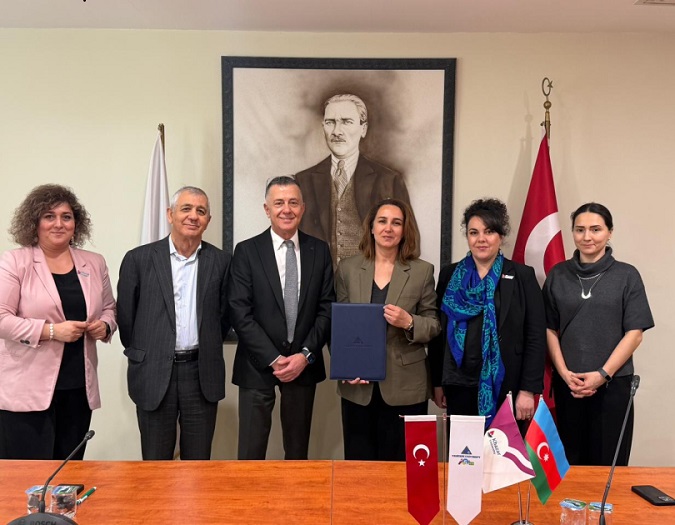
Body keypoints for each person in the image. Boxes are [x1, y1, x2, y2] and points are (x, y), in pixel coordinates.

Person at [0, 184, 116, 460]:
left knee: (68, 473)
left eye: (66, 216)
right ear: (35, 222)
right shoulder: (15, 261)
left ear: (76, 223)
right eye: (49, 216)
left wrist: (105, 326)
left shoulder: (94, 263)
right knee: (28, 476)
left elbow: (109, 308)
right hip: (27, 390)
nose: (59, 224)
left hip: (78, 388)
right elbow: (2, 319)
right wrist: (51, 331)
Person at [117, 186, 231, 460]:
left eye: (201, 211)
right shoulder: (138, 259)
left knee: (198, 463)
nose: (193, 216)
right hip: (154, 373)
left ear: (208, 220)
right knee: (155, 463)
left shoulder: (222, 261)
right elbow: (126, 318)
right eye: (186, 209)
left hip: (201, 373)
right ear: (170, 214)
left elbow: (224, 316)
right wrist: (150, 352)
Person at [229, 176, 334, 460]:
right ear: (267, 209)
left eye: (293, 202)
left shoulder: (319, 250)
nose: (286, 209)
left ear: (303, 208)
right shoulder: (246, 251)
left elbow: (327, 308)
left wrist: (305, 356)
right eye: (279, 203)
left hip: (303, 366)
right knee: (250, 455)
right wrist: (274, 358)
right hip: (256, 365)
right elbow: (239, 311)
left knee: (297, 454)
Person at [543, 202, 653, 466]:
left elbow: (635, 334)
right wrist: (564, 373)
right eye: (580, 230)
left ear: (609, 232)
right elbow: (548, 328)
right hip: (569, 386)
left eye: (595, 229)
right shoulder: (558, 274)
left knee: (608, 464)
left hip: (613, 386)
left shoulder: (627, 275)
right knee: (569, 465)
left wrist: (602, 374)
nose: (587, 236)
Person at [335, 199, 440, 461]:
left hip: (406, 386)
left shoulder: (422, 271)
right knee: (359, 467)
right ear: (371, 228)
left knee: (401, 468)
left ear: (405, 230)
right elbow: (340, 326)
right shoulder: (347, 269)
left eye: (396, 223)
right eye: (382, 221)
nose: (388, 228)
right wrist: (346, 367)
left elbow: (434, 324)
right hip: (358, 387)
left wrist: (409, 322)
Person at [429, 198, 546, 424]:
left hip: (506, 385)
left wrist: (527, 390)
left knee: (502, 447)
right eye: (474, 232)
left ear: (501, 236)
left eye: (489, 231)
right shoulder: (449, 275)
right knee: (462, 448)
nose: (481, 239)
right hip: (457, 383)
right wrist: (437, 382)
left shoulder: (522, 276)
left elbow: (535, 336)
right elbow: (438, 333)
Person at [294, 93, 410, 268]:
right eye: (330, 122)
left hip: (372, 280)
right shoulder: (303, 181)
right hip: (321, 283)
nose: (337, 131)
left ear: (363, 129)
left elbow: (408, 242)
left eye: (346, 122)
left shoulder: (389, 180)